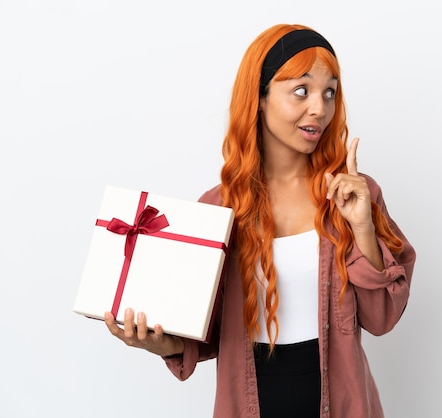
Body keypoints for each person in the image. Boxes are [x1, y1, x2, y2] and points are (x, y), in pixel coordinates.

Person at [104, 23, 416, 418]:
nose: (319, 108)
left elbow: (382, 318)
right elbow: (208, 334)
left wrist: (362, 227)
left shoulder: (354, 194)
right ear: (261, 97)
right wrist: (159, 343)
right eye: (301, 90)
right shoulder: (217, 209)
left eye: (330, 92)